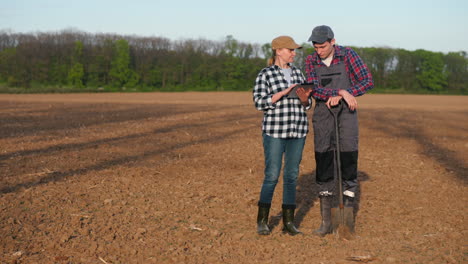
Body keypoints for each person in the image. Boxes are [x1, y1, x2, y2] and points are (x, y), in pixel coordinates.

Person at [303, 25, 374, 236]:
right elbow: (314, 88)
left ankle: (345, 223)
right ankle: (326, 223)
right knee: (324, 162)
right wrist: (339, 91)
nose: (319, 51)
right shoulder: (310, 60)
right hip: (323, 116)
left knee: (348, 161)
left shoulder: (348, 54)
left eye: (323, 46)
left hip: (347, 115)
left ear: (333, 42)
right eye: (316, 47)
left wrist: (345, 94)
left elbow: (367, 81)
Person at [253, 36, 312, 236]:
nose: (294, 53)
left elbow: (308, 105)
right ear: (278, 51)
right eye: (291, 50)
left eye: (295, 50)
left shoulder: (298, 73)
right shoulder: (266, 74)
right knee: (272, 175)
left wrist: (305, 99)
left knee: (291, 176)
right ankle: (262, 221)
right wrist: (284, 92)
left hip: (298, 130)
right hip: (275, 131)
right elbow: (260, 103)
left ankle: (289, 223)